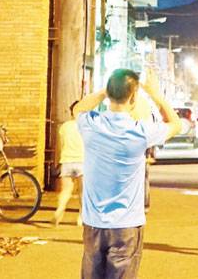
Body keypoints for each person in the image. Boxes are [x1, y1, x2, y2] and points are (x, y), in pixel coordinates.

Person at [74, 67, 181, 279]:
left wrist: (105, 92)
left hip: (93, 223)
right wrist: (155, 94)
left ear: (110, 94)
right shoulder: (140, 132)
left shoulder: (91, 125)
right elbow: (176, 125)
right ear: (133, 98)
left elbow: (78, 109)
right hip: (126, 225)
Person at [53, 100, 84, 227]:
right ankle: (80, 218)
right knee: (83, 193)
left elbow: (61, 145)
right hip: (83, 162)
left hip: (66, 162)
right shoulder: (86, 127)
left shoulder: (64, 127)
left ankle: (60, 209)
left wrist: (60, 161)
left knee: (65, 191)